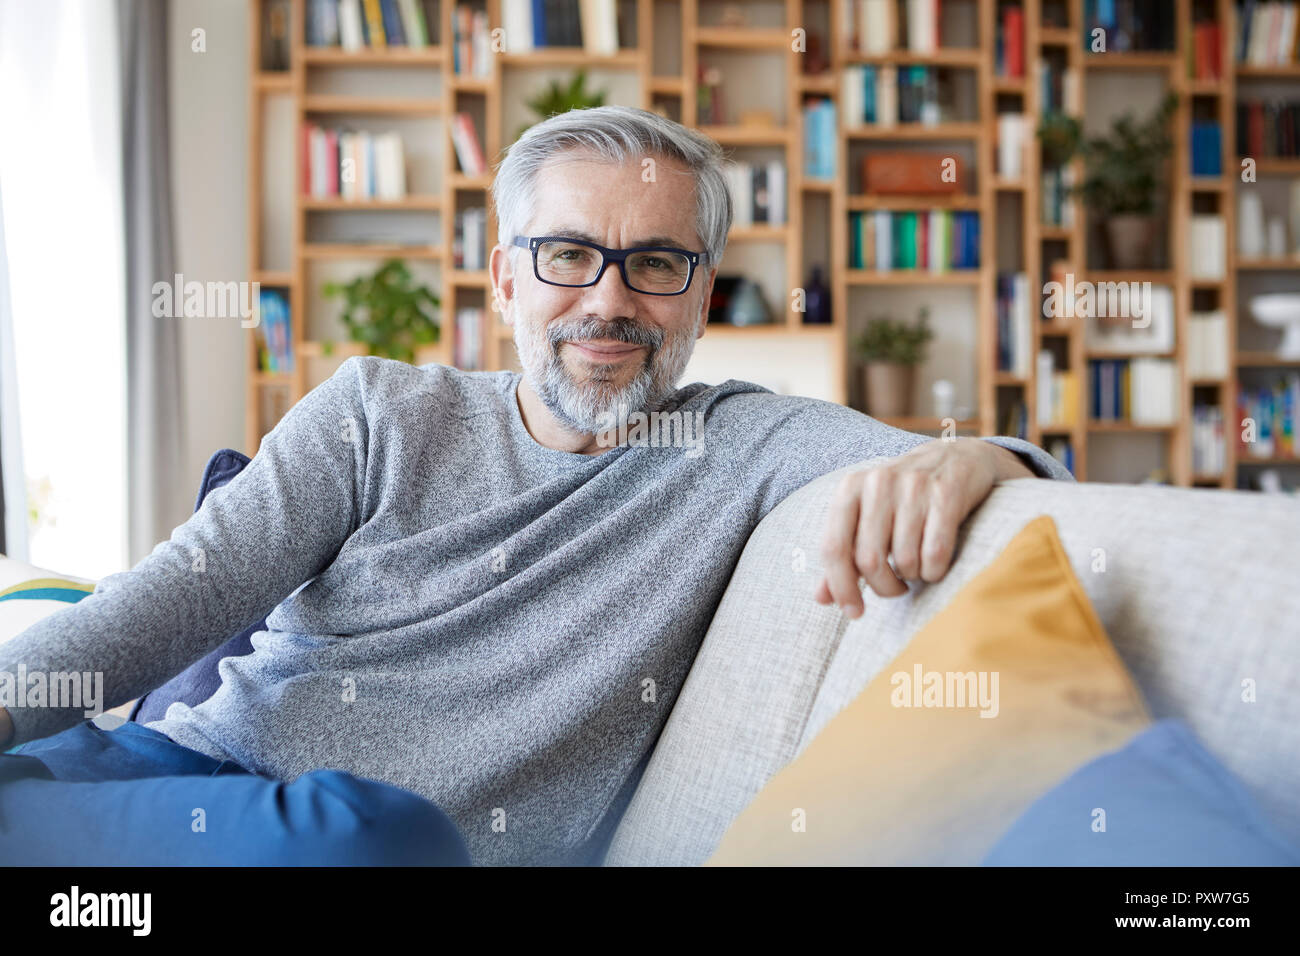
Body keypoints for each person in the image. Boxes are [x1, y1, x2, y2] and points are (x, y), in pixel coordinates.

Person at [0, 106, 1071, 866]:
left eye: (656, 263)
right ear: (506, 276)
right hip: (166, 784)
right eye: (567, 254)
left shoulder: (745, 444)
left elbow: (1016, 473)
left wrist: (976, 455)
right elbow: (157, 604)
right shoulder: (378, 411)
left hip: (372, 847)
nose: (607, 299)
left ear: (701, 297)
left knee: (383, 838)